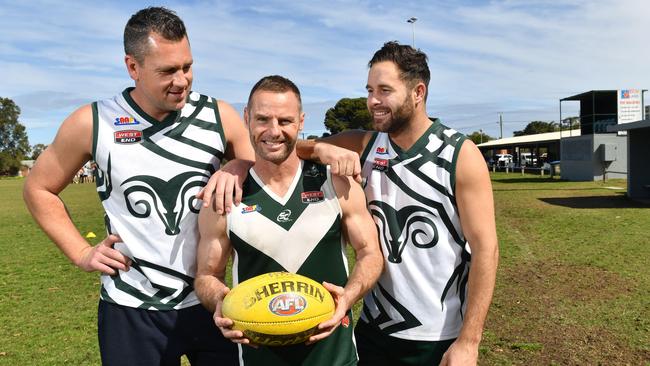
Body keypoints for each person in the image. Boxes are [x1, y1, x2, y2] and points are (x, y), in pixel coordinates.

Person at [202, 42, 499, 366]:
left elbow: (486, 249)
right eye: (369, 89)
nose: (373, 101)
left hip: (439, 331)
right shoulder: (364, 143)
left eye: (384, 90)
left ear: (418, 92)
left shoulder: (459, 154)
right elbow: (280, 145)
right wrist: (240, 164)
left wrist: (469, 341)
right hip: (374, 329)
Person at [23, 7, 254, 365]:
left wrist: (240, 163)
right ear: (133, 67)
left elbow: (270, 167)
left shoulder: (219, 116)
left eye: (187, 67)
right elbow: (38, 188)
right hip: (131, 305)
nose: (182, 81)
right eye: (167, 71)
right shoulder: (94, 121)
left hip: (214, 301)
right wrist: (80, 252)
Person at [194, 75, 383, 366]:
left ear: (301, 121)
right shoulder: (225, 196)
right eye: (262, 119)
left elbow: (370, 252)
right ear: (246, 118)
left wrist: (347, 297)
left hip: (335, 359)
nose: (273, 131)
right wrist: (221, 301)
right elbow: (207, 275)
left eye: (285, 121)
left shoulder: (335, 183)